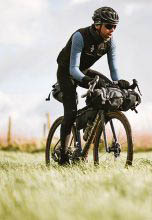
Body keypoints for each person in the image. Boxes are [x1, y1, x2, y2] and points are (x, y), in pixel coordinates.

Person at [55, 6, 130, 165]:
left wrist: (118, 83)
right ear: (97, 24)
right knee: (70, 112)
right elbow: (73, 69)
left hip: (84, 70)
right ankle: (62, 156)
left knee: (109, 89)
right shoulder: (80, 36)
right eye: (109, 26)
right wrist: (87, 81)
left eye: (115, 26)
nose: (112, 30)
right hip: (66, 72)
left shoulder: (110, 43)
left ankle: (90, 127)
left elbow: (113, 69)